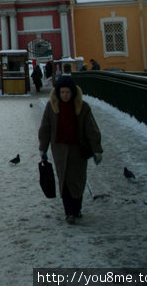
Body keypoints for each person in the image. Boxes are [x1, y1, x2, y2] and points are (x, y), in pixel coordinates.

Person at [38, 75, 103, 224]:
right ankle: (69, 212)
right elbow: (45, 129)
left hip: (78, 150)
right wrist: (43, 148)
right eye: (62, 92)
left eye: (68, 92)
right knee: (64, 181)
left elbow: (91, 129)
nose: (65, 95)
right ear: (58, 93)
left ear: (73, 92)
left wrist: (97, 149)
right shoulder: (52, 107)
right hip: (59, 151)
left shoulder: (83, 107)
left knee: (78, 181)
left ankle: (76, 208)